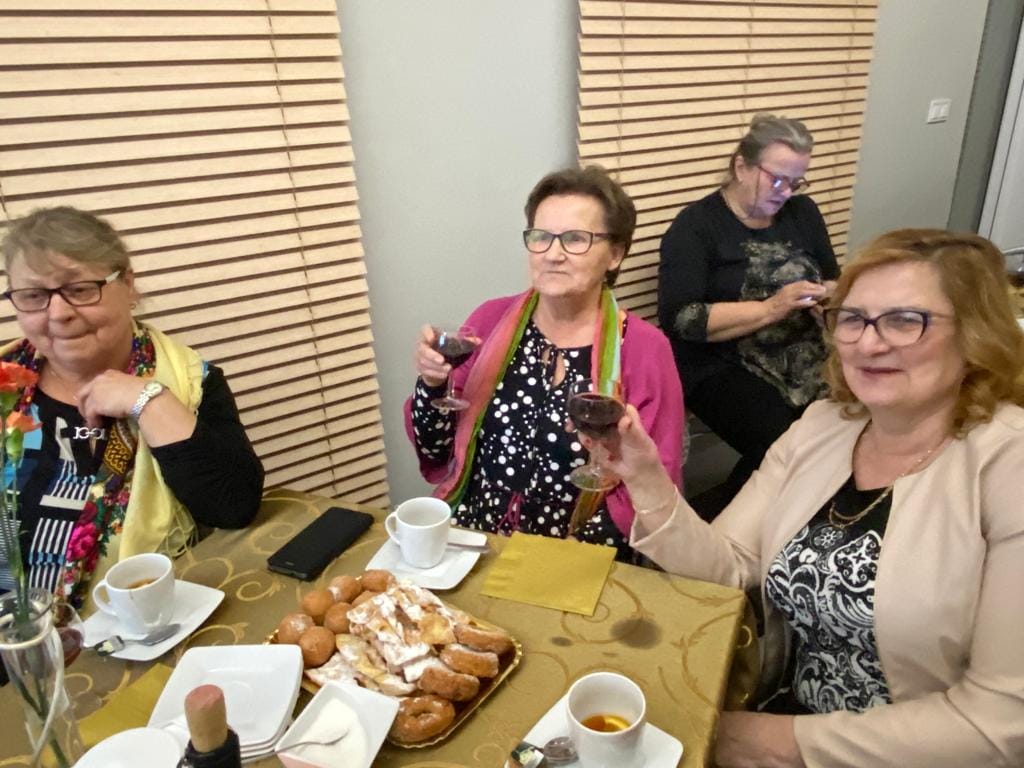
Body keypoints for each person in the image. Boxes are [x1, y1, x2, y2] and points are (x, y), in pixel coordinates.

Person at [595, 229, 1024, 766]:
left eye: (904, 320)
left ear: (975, 334)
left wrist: (767, 741)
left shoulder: (1008, 465)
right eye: (852, 318)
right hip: (785, 714)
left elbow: (999, 722)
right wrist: (644, 476)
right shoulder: (823, 426)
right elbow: (728, 566)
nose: (868, 343)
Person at [405, 166, 683, 560]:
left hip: (576, 552)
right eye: (541, 237)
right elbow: (435, 447)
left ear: (615, 254)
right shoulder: (488, 321)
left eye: (575, 239)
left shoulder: (644, 348)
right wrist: (432, 383)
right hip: (475, 540)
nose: (553, 254)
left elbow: (654, 483)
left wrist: (563, 559)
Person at [0, 206, 265, 608]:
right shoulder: (8, 385)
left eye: (80, 289)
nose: (59, 313)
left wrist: (149, 400)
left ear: (127, 283)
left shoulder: (191, 382)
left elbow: (234, 506)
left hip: (138, 626)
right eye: (34, 296)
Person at [658, 114, 839, 519]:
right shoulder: (696, 227)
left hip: (802, 353)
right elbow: (682, 319)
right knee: (785, 444)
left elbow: (833, 278)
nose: (786, 192)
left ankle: (791, 521)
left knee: (843, 428)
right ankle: (710, 530)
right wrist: (773, 307)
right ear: (741, 166)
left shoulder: (803, 213)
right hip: (719, 364)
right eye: (777, 180)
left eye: (796, 183)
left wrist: (826, 298)